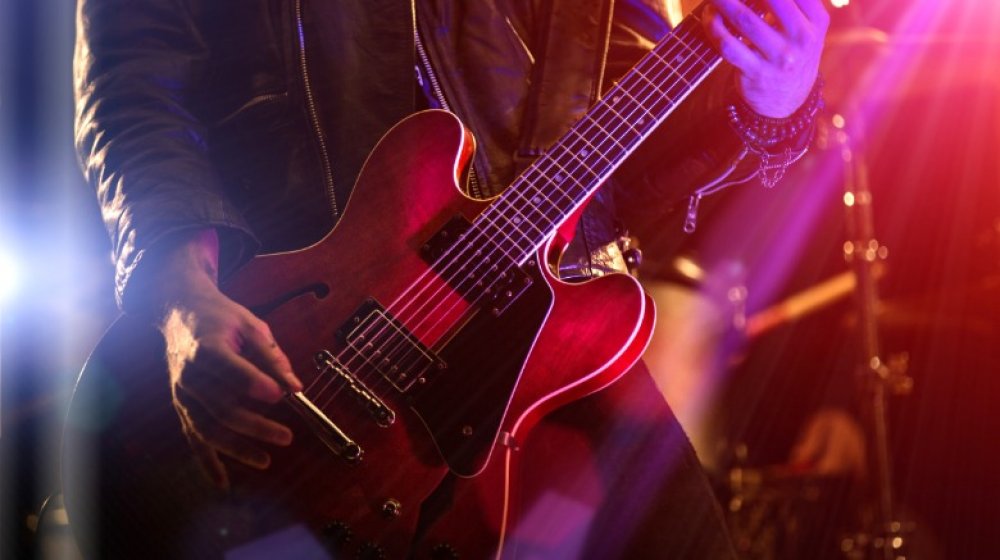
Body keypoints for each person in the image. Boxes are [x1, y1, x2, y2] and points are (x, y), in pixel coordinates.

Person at [71, 0, 828, 557]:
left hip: (549, 350)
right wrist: (179, 293)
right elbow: (134, 86)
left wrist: (773, 102)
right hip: (294, 333)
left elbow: (637, 154)